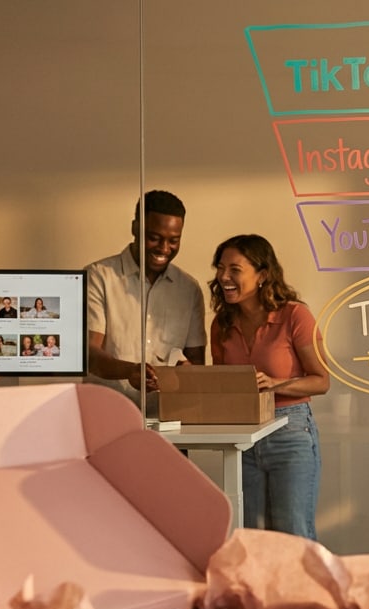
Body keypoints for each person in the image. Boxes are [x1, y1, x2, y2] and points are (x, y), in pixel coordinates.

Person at [208, 234, 330, 539]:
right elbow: (224, 386)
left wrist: (277, 384)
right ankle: (254, 590)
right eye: (220, 268)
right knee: (246, 535)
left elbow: (322, 381)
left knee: (293, 534)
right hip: (243, 437)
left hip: (290, 433)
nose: (224, 277)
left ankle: (302, 589)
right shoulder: (221, 324)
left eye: (235, 269)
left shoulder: (294, 315)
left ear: (262, 275)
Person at [86, 190, 206, 406]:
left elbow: (196, 361)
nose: (163, 248)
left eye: (174, 241)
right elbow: (89, 354)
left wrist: (186, 372)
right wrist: (130, 371)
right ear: (135, 228)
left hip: (168, 417)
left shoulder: (189, 289)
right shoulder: (98, 276)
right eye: (154, 238)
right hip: (106, 412)